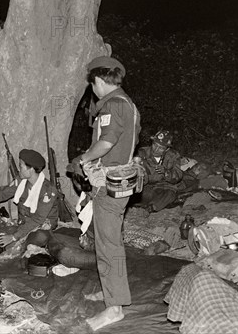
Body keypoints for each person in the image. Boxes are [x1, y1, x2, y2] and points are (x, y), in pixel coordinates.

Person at [74, 56, 140, 331]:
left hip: (110, 184)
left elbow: (107, 141)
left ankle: (114, 310)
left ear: (98, 81)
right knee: (108, 241)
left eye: (92, 84)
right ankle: (112, 295)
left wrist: (83, 159)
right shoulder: (128, 103)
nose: (93, 90)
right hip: (121, 182)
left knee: (109, 244)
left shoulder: (113, 104)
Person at [134, 130, 183, 212]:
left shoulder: (173, 156)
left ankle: (151, 208)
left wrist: (166, 172)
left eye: (161, 148)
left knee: (170, 194)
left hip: (163, 187)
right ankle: (146, 204)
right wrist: (141, 173)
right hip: (146, 187)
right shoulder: (142, 153)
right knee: (138, 193)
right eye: (154, 145)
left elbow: (178, 176)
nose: (156, 150)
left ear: (167, 149)